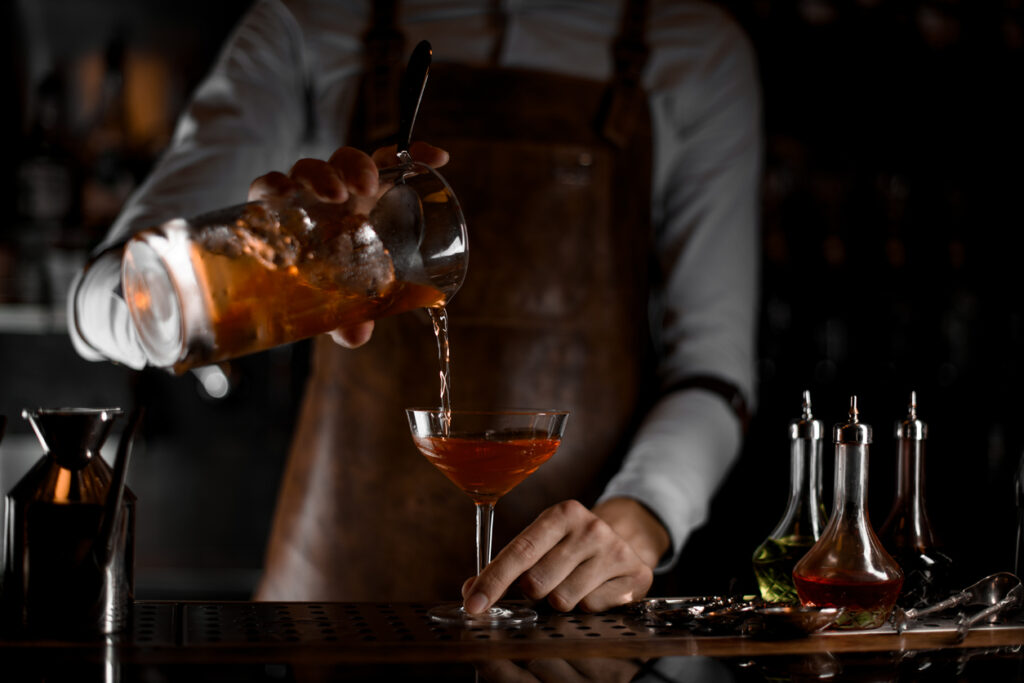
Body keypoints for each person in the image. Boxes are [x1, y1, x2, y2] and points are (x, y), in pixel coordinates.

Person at [69, 0, 761, 615]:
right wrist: (236, 275)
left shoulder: (693, 48)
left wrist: (634, 519)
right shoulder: (309, 23)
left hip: (566, 615)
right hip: (335, 612)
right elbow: (94, 301)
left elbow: (713, 370)